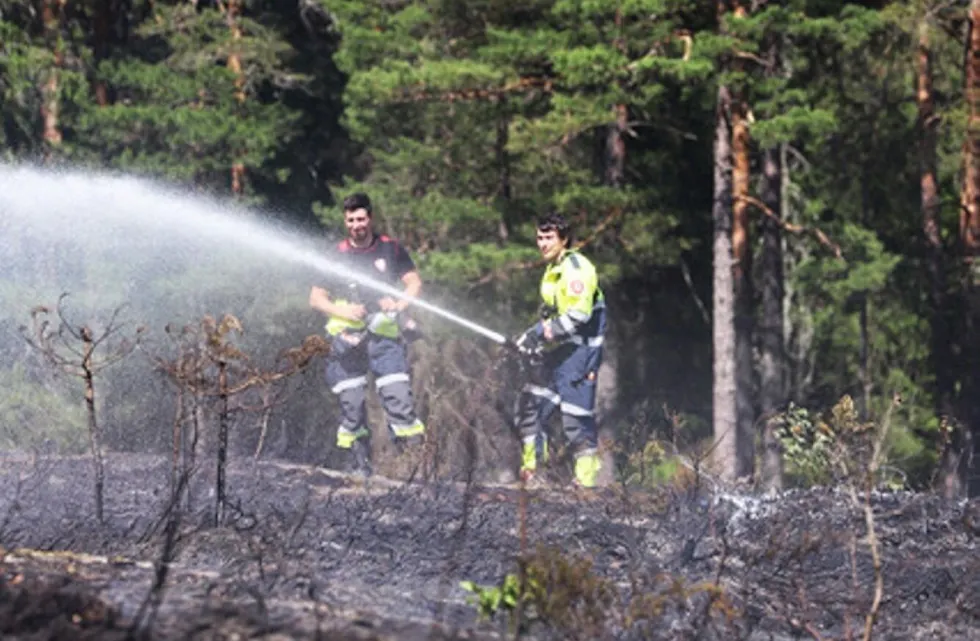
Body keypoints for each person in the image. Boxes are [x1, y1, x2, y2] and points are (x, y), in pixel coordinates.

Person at [309, 192, 425, 477]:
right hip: (348, 341)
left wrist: (399, 304)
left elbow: (413, 283)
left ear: (370, 218)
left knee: (398, 397)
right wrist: (344, 313)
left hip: (385, 341)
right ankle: (359, 467)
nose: (356, 224)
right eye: (350, 219)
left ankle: (411, 465)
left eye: (361, 218)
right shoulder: (336, 255)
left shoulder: (390, 249)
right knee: (352, 404)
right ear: (345, 220)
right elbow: (316, 299)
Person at [511, 213, 607, 489]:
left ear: (564, 239)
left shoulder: (576, 268)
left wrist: (539, 333)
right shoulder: (553, 269)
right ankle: (532, 473)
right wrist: (532, 338)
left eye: (549, 237)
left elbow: (577, 315)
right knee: (530, 407)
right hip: (557, 353)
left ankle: (586, 483)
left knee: (575, 420)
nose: (542, 243)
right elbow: (554, 315)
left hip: (580, 355)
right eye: (539, 237)